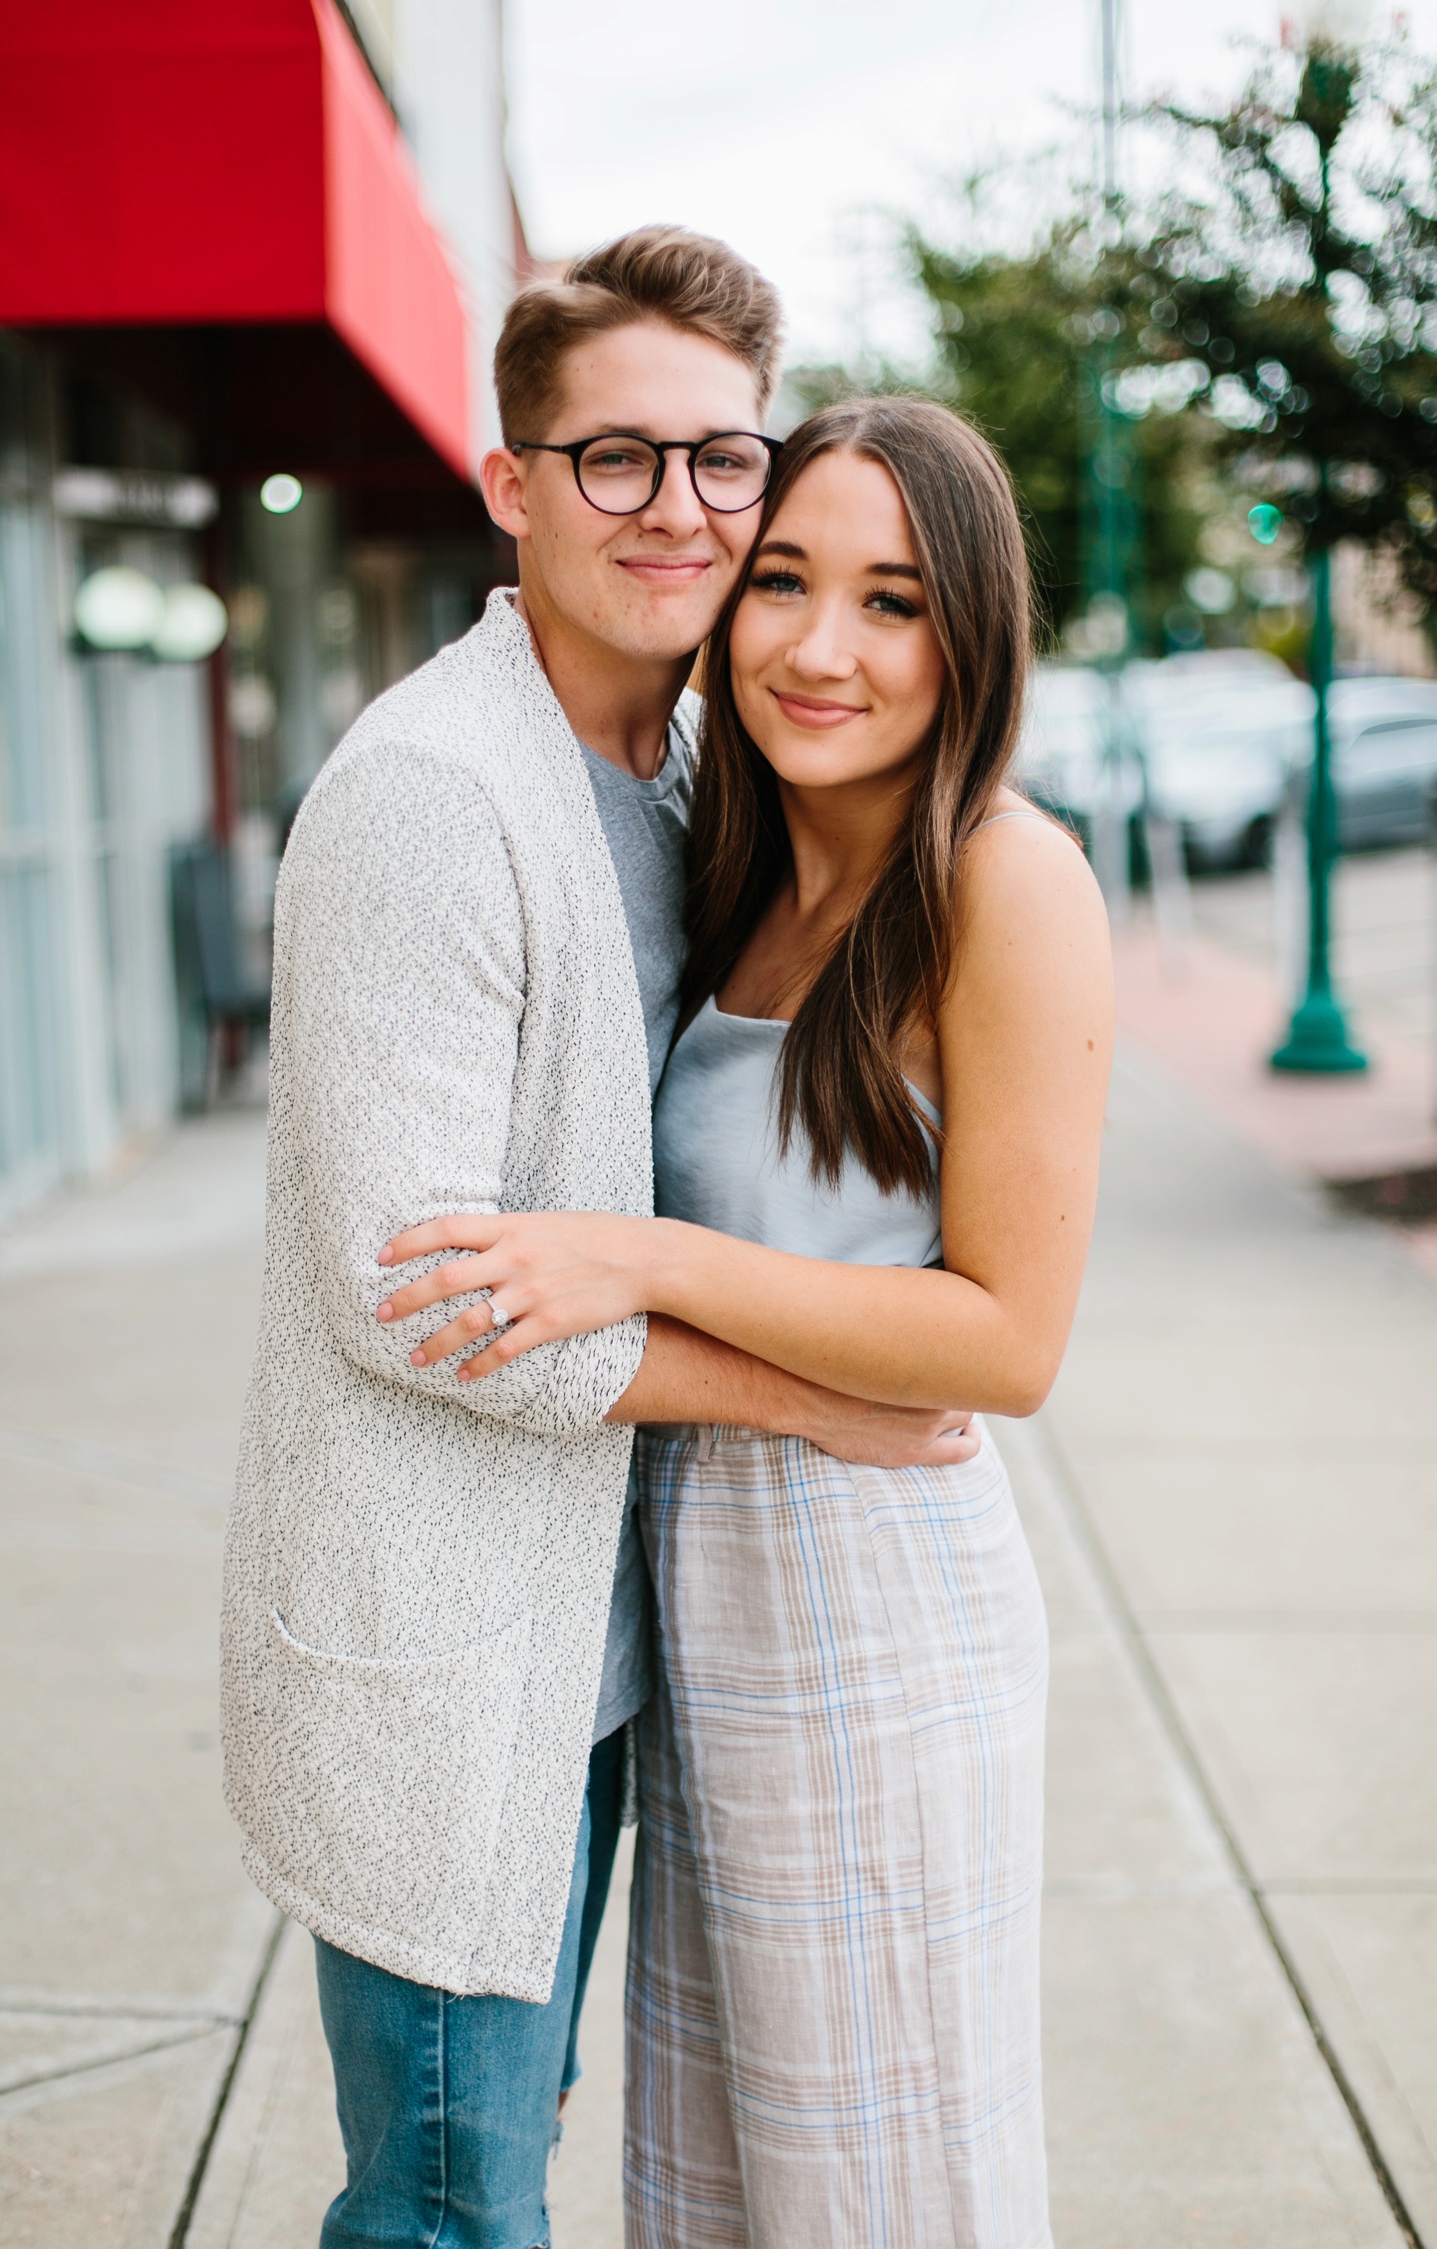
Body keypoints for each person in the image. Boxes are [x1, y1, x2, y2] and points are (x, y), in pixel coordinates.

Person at [220, 235, 979, 2249]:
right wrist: (825, 1399)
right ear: (513, 484)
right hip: (449, 1657)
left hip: (606, 1633)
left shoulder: (686, 773)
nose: (680, 513)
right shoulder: (433, 802)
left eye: (721, 462)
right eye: (617, 458)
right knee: (454, 2206)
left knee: (511, 2156)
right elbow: (425, 1302)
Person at [376, 396, 1115, 2247]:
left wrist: (641, 1256)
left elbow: (1010, 1340)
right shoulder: (748, 852)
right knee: (734, 2163)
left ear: (976, 634)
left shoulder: (1002, 880)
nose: (818, 647)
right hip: (703, 1584)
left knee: (878, 2171)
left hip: (874, 1591)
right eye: (784, 580)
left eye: (893, 601)